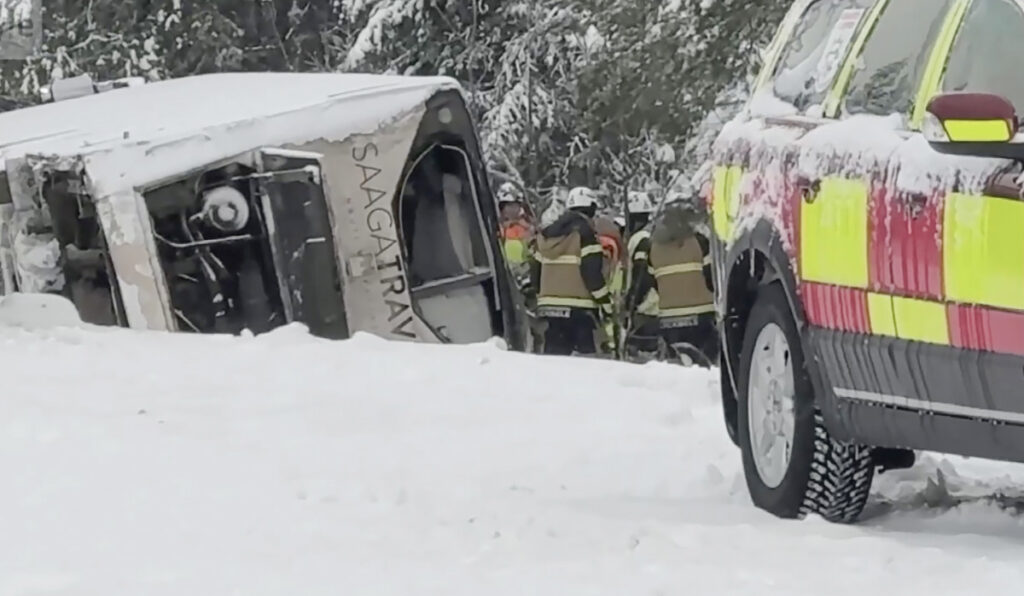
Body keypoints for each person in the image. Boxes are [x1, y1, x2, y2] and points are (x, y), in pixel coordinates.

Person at [528, 186, 611, 356]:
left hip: (549, 309)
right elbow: (592, 274)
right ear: (591, 208)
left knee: (554, 363)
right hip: (579, 309)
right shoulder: (587, 235)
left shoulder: (545, 236)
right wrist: (606, 304)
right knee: (583, 364)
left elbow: (534, 273)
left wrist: (540, 296)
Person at [647, 196, 717, 367]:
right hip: (702, 315)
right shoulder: (700, 242)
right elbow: (711, 279)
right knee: (706, 365)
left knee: (676, 366)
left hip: (668, 317)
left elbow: (651, 282)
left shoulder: (653, 247)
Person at [622, 190, 662, 361]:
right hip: (650, 307)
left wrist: (632, 301)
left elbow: (641, 275)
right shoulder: (647, 238)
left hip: (646, 308)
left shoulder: (640, 241)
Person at [496, 182, 533, 274]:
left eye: (515, 205)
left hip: (526, 270)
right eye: (509, 205)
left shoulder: (527, 225)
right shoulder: (497, 229)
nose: (512, 209)